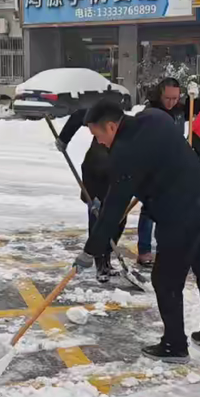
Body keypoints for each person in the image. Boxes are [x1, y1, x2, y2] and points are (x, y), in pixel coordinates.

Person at [73, 99, 200, 363]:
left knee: (165, 280)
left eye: (98, 135)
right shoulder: (154, 117)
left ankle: (174, 345)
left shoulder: (124, 152)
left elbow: (113, 208)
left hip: (181, 214)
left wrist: (91, 250)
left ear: (110, 126)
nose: (99, 142)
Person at [137, 78, 200, 267]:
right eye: (167, 98)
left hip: (176, 168)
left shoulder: (180, 109)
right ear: (160, 94)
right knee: (149, 211)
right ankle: (144, 250)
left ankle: (170, 249)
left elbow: (199, 107)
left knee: (175, 209)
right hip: (153, 168)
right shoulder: (151, 113)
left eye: (175, 98)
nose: (171, 102)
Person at [55, 108, 126, 283]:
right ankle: (99, 261)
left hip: (118, 177)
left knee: (119, 220)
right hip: (94, 175)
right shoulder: (102, 121)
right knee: (98, 217)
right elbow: (79, 115)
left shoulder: (131, 134)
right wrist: (64, 139)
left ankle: (107, 259)